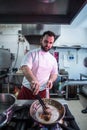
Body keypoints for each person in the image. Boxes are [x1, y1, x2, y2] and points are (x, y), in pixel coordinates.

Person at [17, 31, 58, 99]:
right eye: (46, 41)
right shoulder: (31, 54)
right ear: (41, 40)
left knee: (43, 109)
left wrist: (51, 80)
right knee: (22, 109)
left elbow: (54, 74)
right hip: (27, 90)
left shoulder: (53, 59)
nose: (48, 45)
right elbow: (25, 68)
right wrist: (33, 80)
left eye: (50, 43)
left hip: (43, 91)